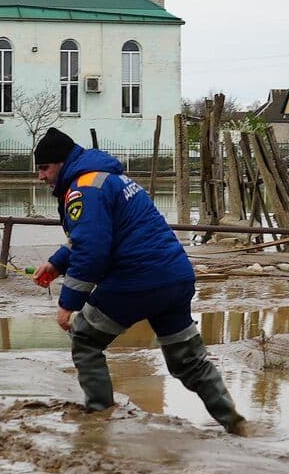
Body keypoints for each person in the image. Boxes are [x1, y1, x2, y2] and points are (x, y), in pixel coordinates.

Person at [30, 126, 246, 434]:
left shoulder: (83, 189)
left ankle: (99, 420)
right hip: (175, 278)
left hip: (135, 281)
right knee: (188, 362)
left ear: (62, 162)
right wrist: (55, 264)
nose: (41, 176)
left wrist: (68, 304)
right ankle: (236, 424)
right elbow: (93, 237)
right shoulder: (108, 178)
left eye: (44, 168)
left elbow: (92, 251)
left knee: (85, 338)